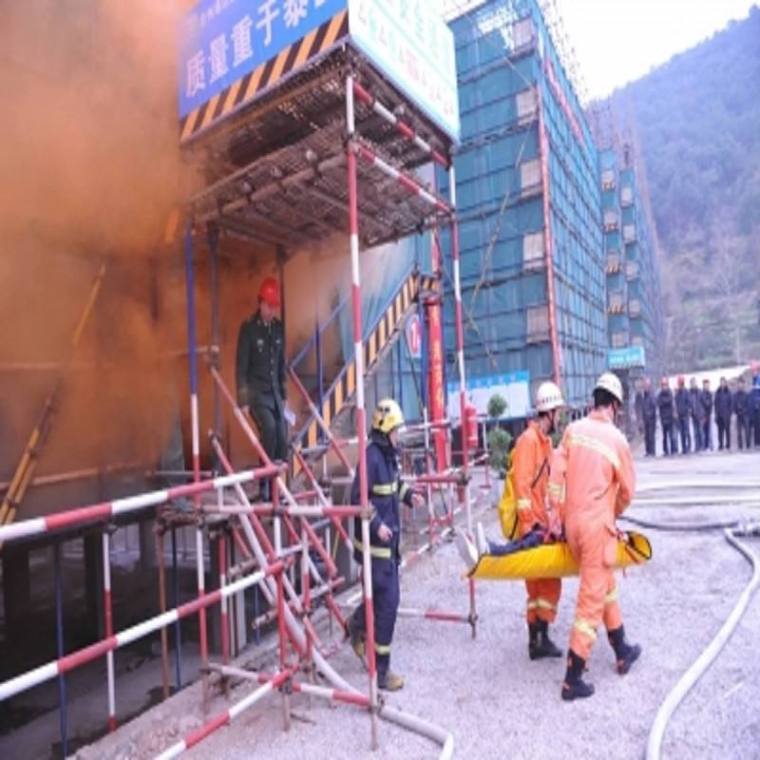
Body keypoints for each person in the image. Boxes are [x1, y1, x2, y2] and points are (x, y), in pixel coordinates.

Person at [548, 372, 640, 701]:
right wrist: (609, 513)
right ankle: (573, 678)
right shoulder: (616, 440)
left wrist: (558, 516)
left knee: (604, 587)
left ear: (593, 401)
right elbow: (627, 492)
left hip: (572, 527)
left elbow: (556, 477)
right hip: (596, 530)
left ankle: (621, 647)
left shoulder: (573, 431)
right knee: (590, 600)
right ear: (614, 405)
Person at [346, 399, 424, 691]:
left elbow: (394, 486)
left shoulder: (388, 456)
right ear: (384, 430)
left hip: (386, 548)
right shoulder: (370, 459)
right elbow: (358, 500)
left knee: (378, 601)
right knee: (387, 605)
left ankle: (355, 627)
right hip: (374, 550)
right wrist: (376, 524)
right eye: (396, 430)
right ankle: (381, 670)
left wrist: (408, 496)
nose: (399, 436)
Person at [236, 277, 289, 486]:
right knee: (269, 429)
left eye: (274, 307)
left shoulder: (277, 328)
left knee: (283, 436)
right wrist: (243, 400)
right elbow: (241, 366)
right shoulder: (249, 329)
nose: (271, 311)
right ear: (260, 303)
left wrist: (284, 396)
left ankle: (279, 485)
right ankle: (265, 485)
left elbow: (280, 364)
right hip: (257, 394)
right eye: (268, 306)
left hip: (275, 394)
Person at [657, 377, 676, 456]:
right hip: (663, 417)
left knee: (672, 435)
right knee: (664, 436)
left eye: (665, 385)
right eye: (663, 385)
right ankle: (665, 451)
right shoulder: (659, 394)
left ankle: (673, 450)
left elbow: (669, 401)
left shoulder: (670, 393)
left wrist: (665, 402)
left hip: (670, 417)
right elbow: (659, 403)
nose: (664, 386)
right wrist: (665, 402)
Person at [674, 375, 691, 455]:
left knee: (686, 431)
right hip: (680, 415)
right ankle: (684, 448)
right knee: (682, 433)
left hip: (685, 415)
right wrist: (676, 412)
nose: (680, 385)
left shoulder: (686, 392)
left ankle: (689, 447)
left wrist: (687, 410)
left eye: (681, 383)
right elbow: (675, 404)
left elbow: (689, 403)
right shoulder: (677, 394)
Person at [714, 377, 732, 451]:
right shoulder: (717, 392)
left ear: (725, 383)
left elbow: (731, 403)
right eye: (721, 382)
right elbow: (715, 404)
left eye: (723, 382)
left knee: (727, 431)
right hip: (719, 415)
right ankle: (720, 445)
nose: (722, 383)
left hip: (727, 415)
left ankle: (728, 445)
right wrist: (716, 414)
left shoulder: (728, 392)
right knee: (720, 431)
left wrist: (729, 413)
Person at [641, 378, 657, 457]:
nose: (645, 387)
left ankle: (652, 451)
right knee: (646, 436)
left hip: (651, 419)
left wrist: (649, 414)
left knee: (651, 436)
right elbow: (643, 407)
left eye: (646, 385)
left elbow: (653, 407)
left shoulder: (652, 396)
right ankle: (648, 451)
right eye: (644, 386)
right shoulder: (644, 396)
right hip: (646, 419)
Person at [734, 377, 749, 450]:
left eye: (741, 384)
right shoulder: (735, 395)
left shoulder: (746, 394)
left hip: (745, 415)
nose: (740, 385)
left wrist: (743, 410)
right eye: (739, 384)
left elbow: (748, 405)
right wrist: (737, 411)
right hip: (738, 415)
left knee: (747, 431)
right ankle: (740, 447)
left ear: (743, 385)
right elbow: (734, 405)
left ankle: (748, 446)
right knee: (739, 432)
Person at [689, 377, 704, 452]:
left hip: (700, 414)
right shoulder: (689, 393)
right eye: (692, 383)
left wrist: (703, 413)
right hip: (693, 415)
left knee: (700, 431)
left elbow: (703, 403)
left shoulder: (700, 392)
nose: (693, 384)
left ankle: (702, 446)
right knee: (695, 432)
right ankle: (697, 446)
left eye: (694, 383)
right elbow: (689, 404)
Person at [700, 379, 713, 451]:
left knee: (708, 431)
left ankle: (708, 446)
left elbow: (710, 404)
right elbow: (704, 403)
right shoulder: (701, 394)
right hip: (703, 415)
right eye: (705, 385)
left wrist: (708, 403)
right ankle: (704, 446)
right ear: (703, 385)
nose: (707, 386)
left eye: (708, 385)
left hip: (708, 414)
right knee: (703, 431)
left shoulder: (710, 394)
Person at [749, 374, 760, 448]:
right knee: (756, 428)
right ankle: (757, 443)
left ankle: (757, 443)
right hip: (755, 413)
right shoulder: (752, 393)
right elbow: (750, 404)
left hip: (756, 413)